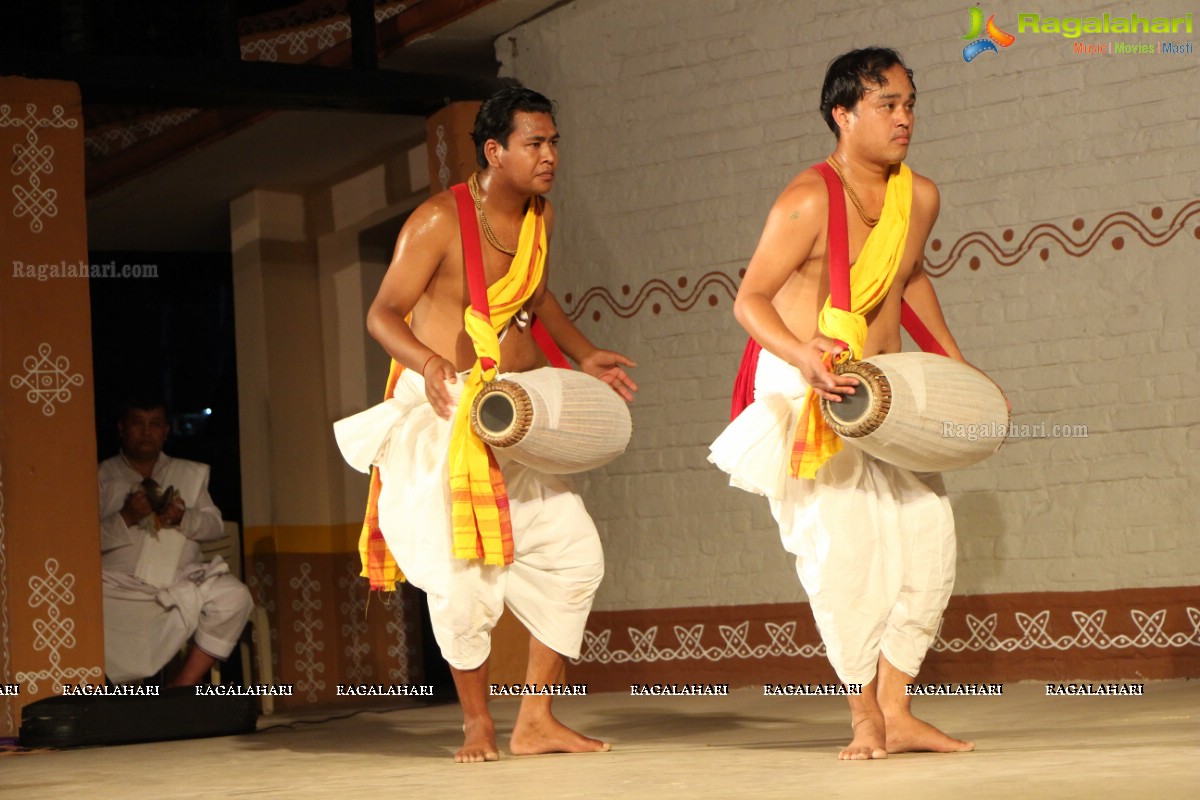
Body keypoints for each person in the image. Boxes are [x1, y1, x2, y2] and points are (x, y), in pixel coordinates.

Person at [334, 87, 637, 763]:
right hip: (448, 418)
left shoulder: (540, 216)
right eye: (536, 143)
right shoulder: (438, 222)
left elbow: (534, 297)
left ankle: (536, 721)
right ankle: (477, 724)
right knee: (462, 576)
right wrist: (431, 361)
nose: (551, 155)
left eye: (555, 141)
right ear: (495, 151)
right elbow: (383, 313)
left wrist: (583, 353)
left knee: (574, 554)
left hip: (516, 415)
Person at [710, 48, 994, 760]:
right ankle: (864, 716)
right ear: (843, 114)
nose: (904, 117)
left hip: (889, 386)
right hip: (812, 385)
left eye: (909, 103)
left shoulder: (919, 196)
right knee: (844, 551)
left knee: (928, 535)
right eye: (887, 105)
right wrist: (801, 354)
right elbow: (749, 299)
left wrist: (956, 363)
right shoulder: (806, 199)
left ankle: (897, 710)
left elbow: (910, 275)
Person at [99, 398, 253, 686]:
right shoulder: (100, 476)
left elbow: (214, 527)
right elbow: (82, 540)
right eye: (138, 423)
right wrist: (127, 516)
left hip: (177, 582)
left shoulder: (188, 473)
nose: (147, 432)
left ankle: (181, 686)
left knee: (235, 597)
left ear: (166, 431)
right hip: (117, 587)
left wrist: (184, 517)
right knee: (86, 606)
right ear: (122, 428)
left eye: (155, 424)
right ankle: (116, 698)